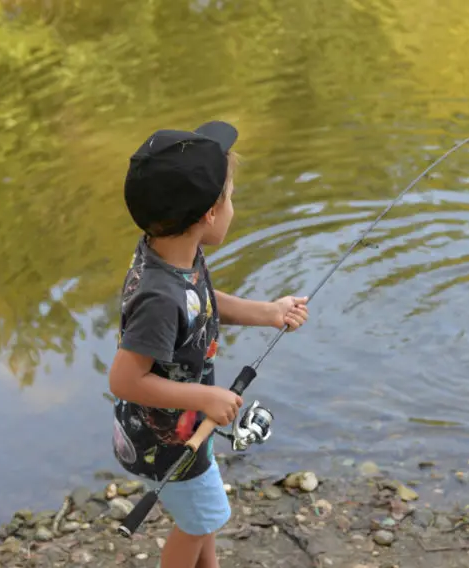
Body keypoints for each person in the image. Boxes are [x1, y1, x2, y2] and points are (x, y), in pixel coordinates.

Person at [107, 120, 309, 568]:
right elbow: (124, 379)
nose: (233, 206)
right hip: (162, 438)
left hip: (185, 424)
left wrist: (267, 312)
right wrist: (206, 396)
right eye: (230, 198)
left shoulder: (169, 254)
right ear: (208, 216)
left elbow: (199, 302)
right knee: (202, 519)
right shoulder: (158, 296)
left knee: (203, 514)